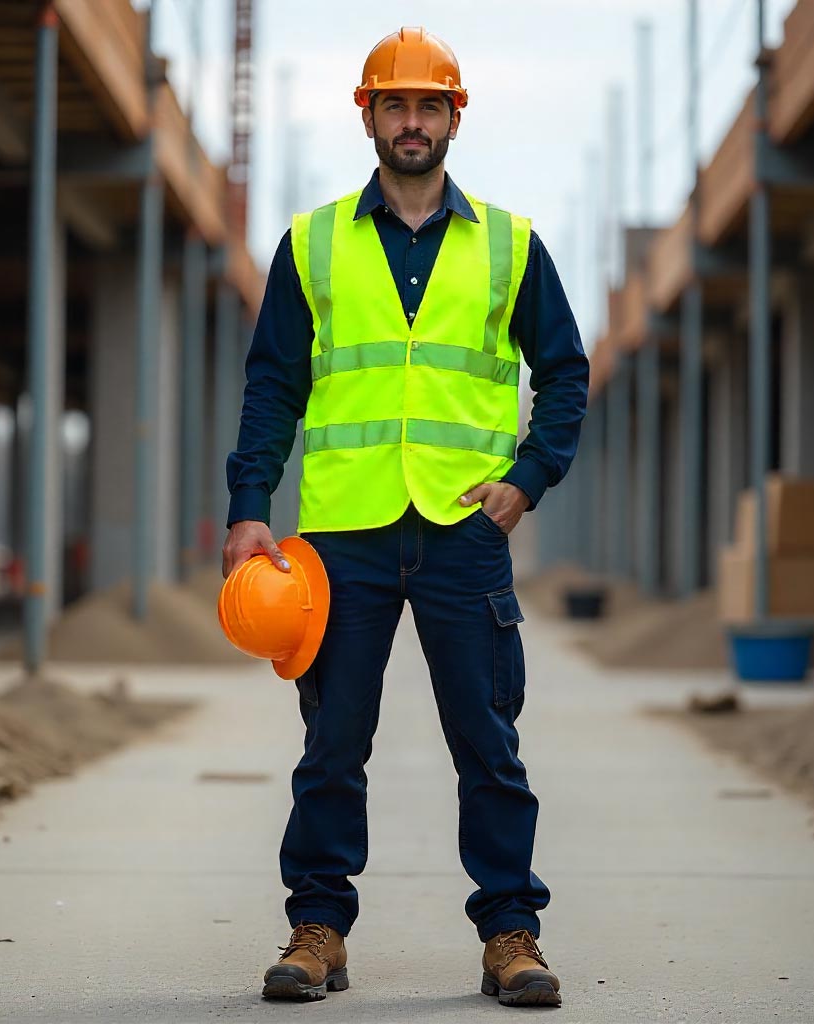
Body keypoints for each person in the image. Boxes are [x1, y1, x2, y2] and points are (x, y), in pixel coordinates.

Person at [222, 26, 589, 1009]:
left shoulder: (511, 244)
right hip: (342, 537)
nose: (413, 121)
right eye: (396, 104)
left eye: (429, 105)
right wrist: (249, 504)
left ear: (453, 116)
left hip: (466, 533)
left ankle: (510, 933)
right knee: (332, 744)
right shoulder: (312, 243)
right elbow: (271, 386)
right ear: (369, 115)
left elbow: (564, 375)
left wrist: (529, 476)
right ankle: (319, 930)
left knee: (488, 742)